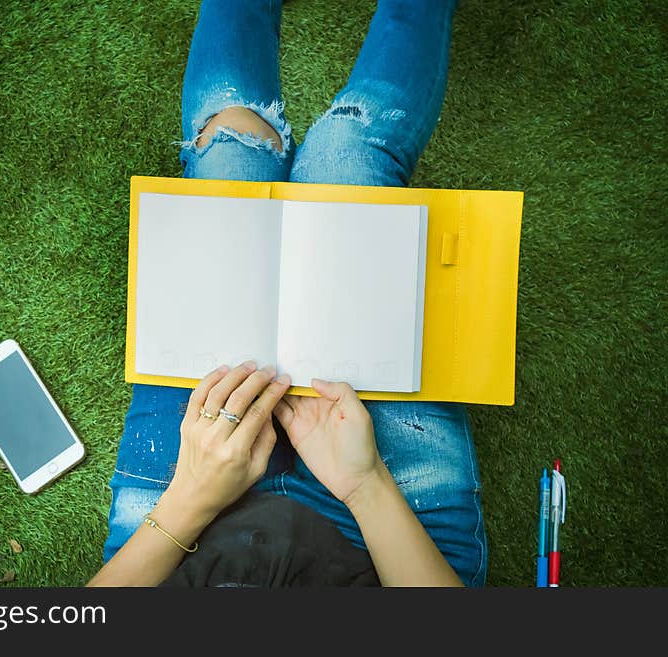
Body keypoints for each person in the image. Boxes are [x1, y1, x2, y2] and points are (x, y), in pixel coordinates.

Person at [87, 0, 486, 587]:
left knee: (230, 144)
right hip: (388, 536)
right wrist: (364, 483)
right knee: (346, 154)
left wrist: (192, 495)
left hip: (184, 531)